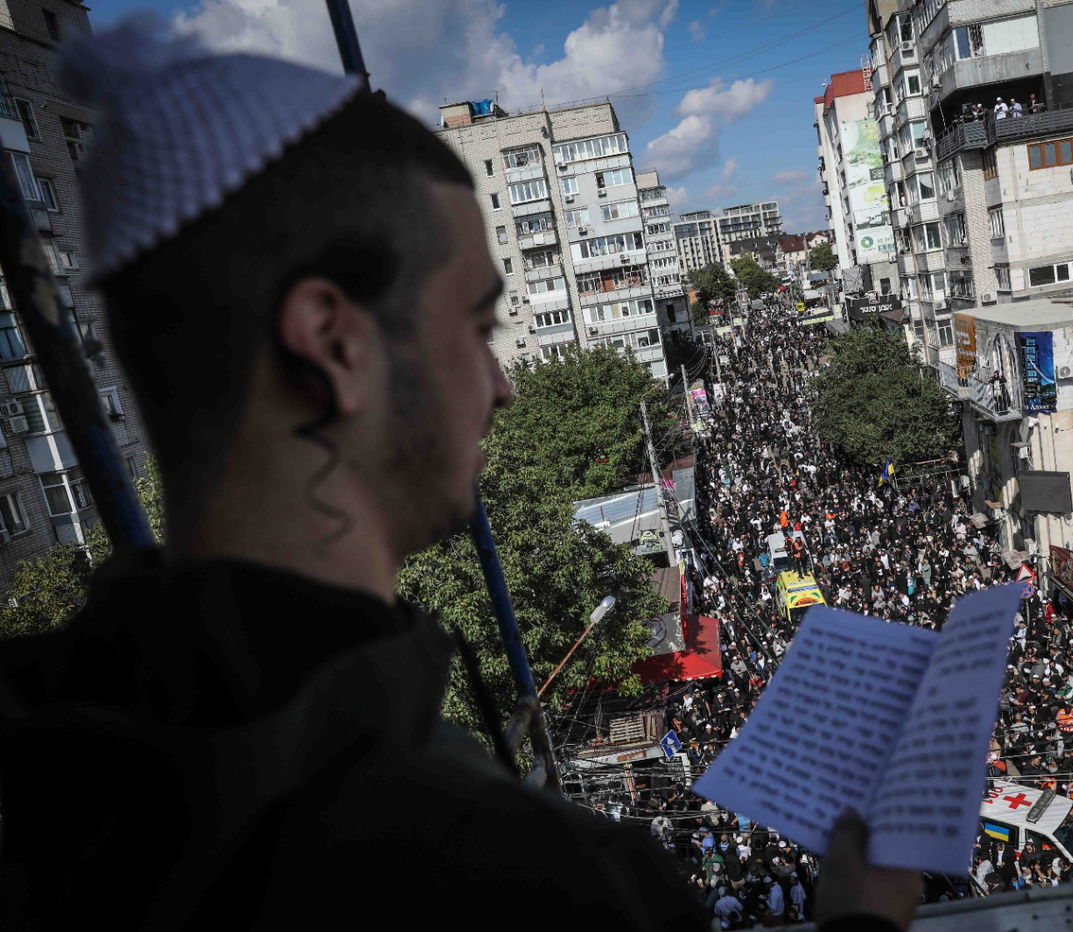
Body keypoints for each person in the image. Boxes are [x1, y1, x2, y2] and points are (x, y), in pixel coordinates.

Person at [0, 24, 919, 932]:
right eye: (477, 327)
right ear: (333, 346)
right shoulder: (532, 883)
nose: (505, 384)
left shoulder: (41, 769)